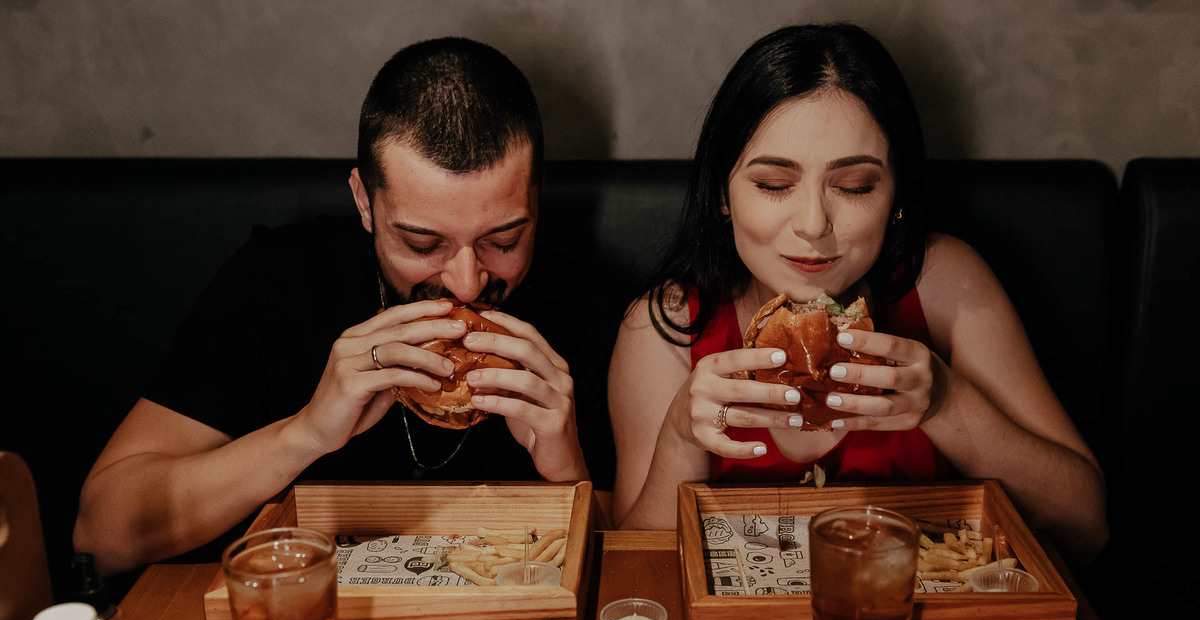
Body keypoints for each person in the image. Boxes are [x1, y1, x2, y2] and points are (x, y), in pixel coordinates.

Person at [74, 38, 614, 576]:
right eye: (424, 246)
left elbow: (631, 570)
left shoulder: (587, 306)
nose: (467, 284)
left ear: (535, 206)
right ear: (364, 202)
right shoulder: (280, 278)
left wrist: (569, 472)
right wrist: (304, 434)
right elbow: (101, 535)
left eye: (504, 240)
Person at [608, 23, 1107, 567]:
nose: (814, 224)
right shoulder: (667, 328)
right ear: (721, 195)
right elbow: (635, 575)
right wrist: (683, 435)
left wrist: (945, 399)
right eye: (774, 184)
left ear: (896, 197)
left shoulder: (943, 284)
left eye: (855, 187)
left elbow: (1085, 526)